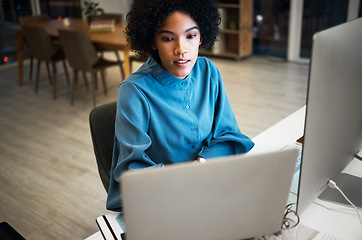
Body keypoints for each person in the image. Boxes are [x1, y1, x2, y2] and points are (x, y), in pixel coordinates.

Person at [106, 0, 254, 211]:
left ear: (201, 35)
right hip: (164, 198)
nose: (181, 49)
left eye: (190, 36)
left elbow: (229, 135)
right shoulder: (134, 91)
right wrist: (183, 181)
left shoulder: (209, 72)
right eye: (168, 38)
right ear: (152, 41)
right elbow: (132, 168)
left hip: (210, 182)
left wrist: (201, 164)